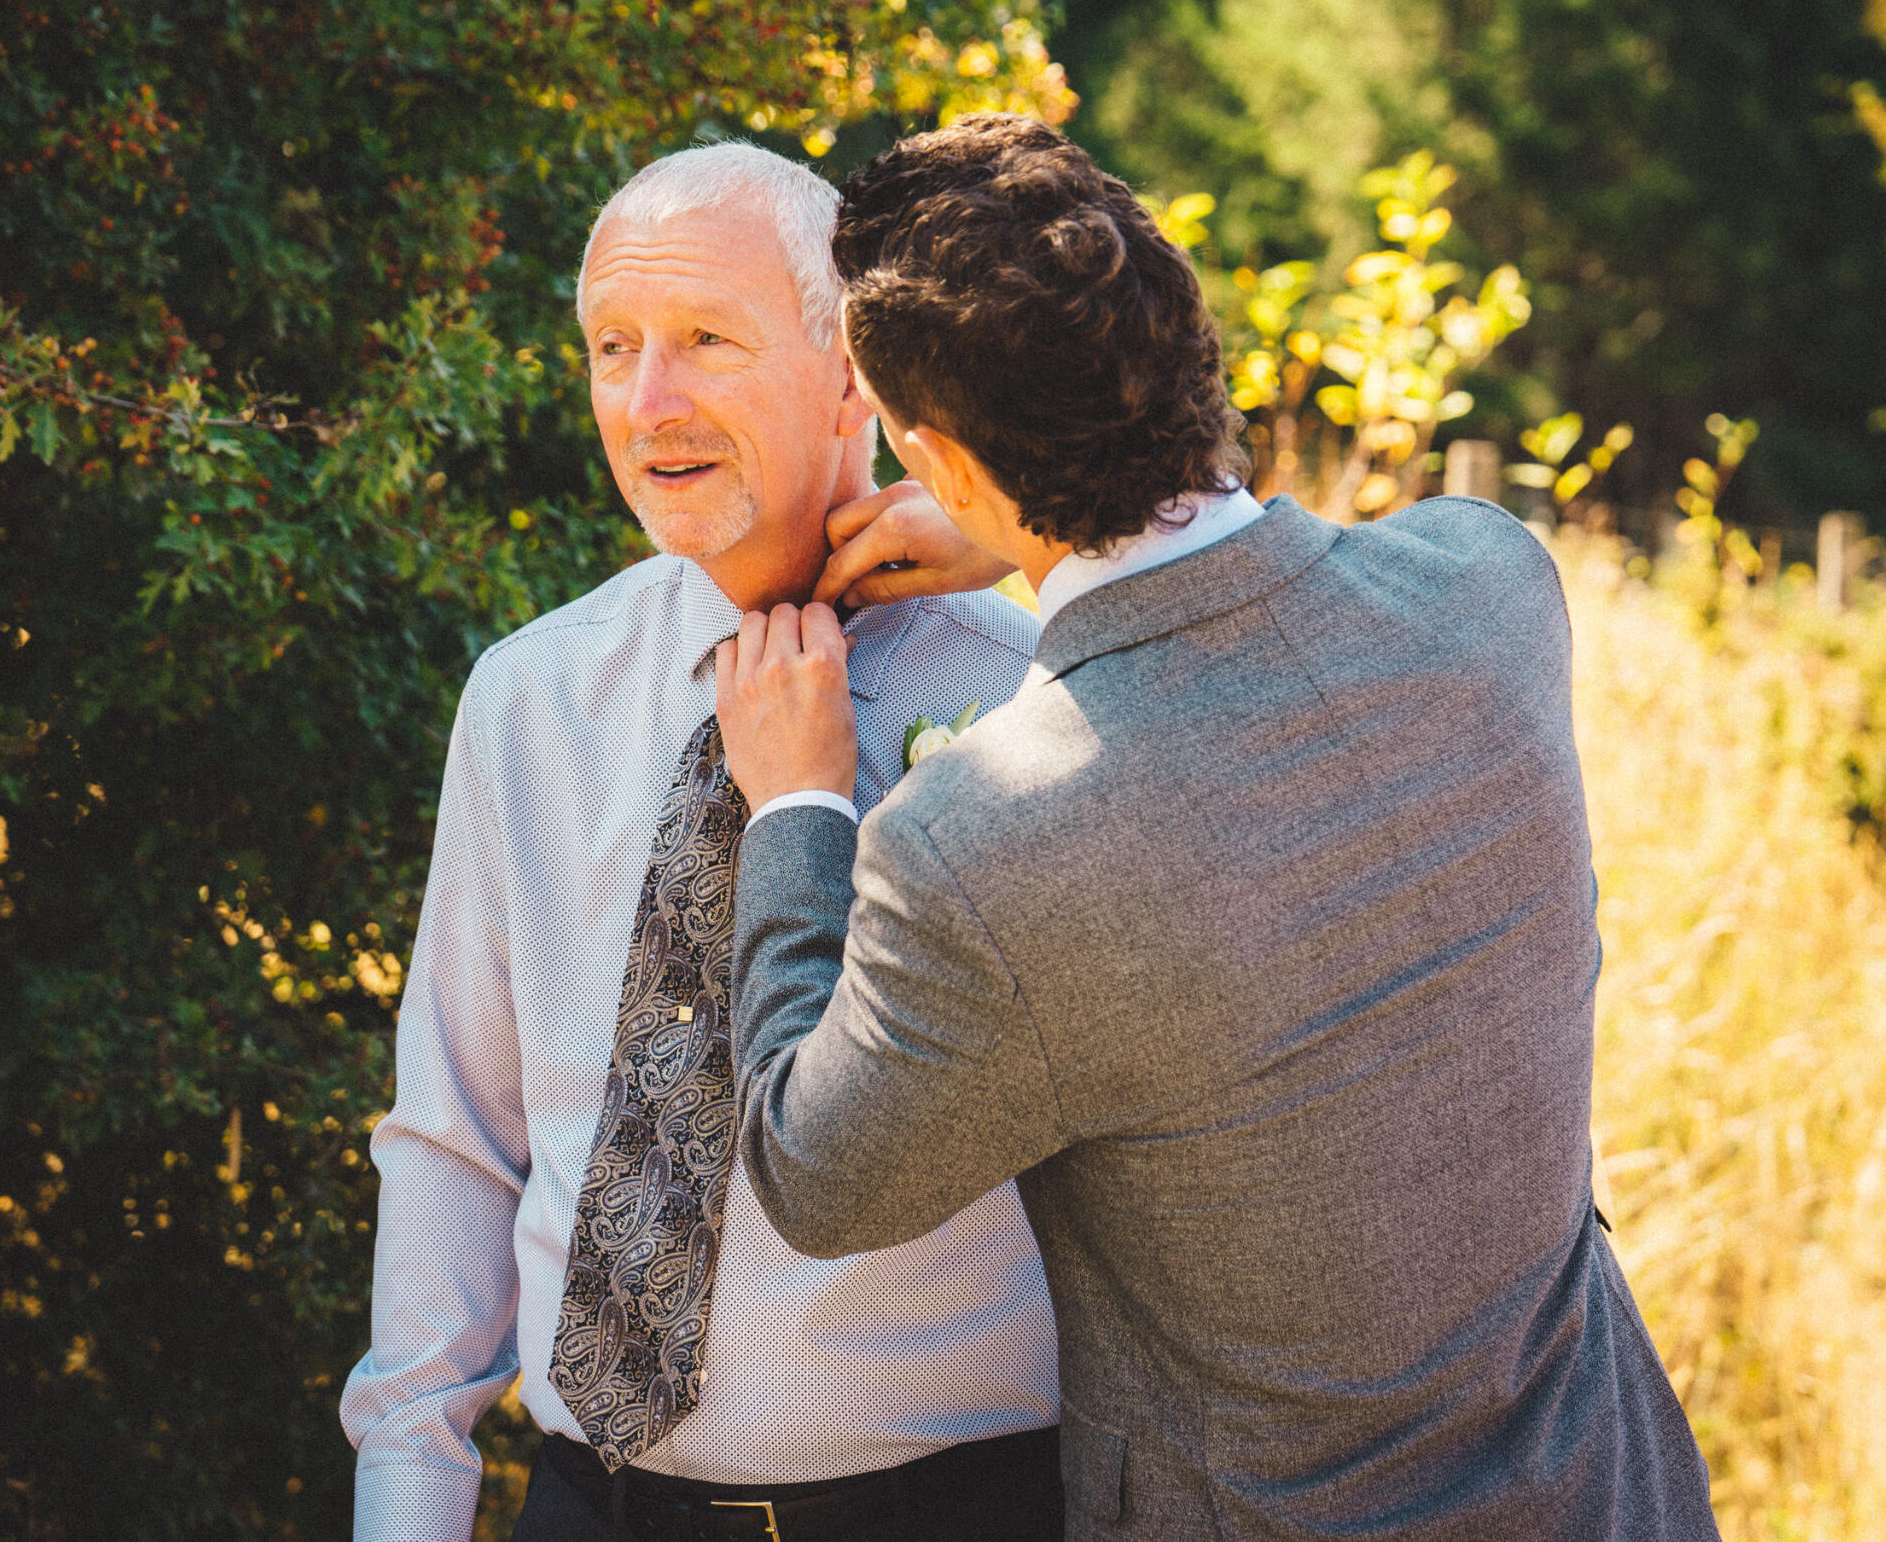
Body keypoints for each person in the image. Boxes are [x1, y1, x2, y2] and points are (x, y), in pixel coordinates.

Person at [714, 113, 1720, 1540]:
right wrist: (1026, 525)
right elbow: (1241, 580)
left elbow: (817, 1177)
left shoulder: (984, 841)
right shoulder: (1490, 583)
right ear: (1185, 341)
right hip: (1610, 1495)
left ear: (936, 460)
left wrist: (799, 803)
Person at [339, 141, 1066, 1542]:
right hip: (586, 1509)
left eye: (706, 341)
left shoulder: (1036, 701)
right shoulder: (530, 698)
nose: (648, 403)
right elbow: (453, 1140)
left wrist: (1034, 541)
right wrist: (408, 1511)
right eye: (614, 348)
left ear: (851, 373)